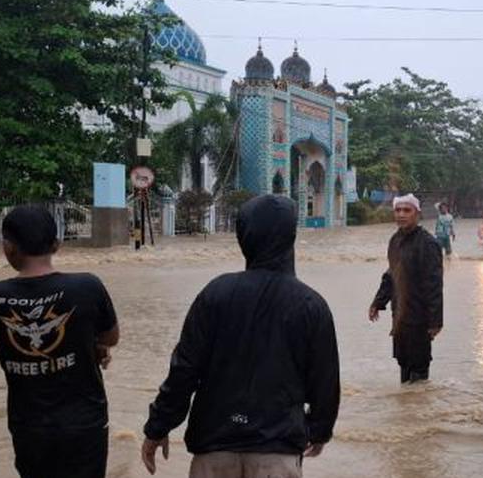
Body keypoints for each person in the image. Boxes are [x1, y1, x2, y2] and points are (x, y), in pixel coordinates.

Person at [142, 194, 340, 478]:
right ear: (290, 237)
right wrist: (319, 431)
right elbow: (325, 381)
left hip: (214, 450)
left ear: (243, 235)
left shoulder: (215, 294)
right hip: (277, 454)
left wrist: (158, 427)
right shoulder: (311, 305)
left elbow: (184, 369)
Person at [0, 205, 120, 478]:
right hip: (84, 422)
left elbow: (6, 345)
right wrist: (97, 347)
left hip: (28, 425)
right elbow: (111, 336)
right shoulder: (87, 286)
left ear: (8, 248)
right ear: (56, 245)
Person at [369, 194, 444, 383]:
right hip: (400, 316)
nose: (401, 214)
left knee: (418, 368)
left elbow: (434, 284)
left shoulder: (428, 244)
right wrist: (378, 302)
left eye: (407, 210)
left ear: (417, 214)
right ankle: (407, 409)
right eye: (398, 210)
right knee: (403, 362)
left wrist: (435, 320)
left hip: (420, 319)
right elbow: (391, 275)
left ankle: (418, 409)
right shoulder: (395, 241)